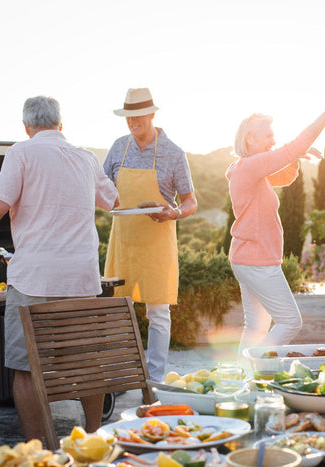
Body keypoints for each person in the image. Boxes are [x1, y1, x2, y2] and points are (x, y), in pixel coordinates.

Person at [0, 96, 120, 441]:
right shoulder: (85, 156)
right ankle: (94, 438)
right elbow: (113, 201)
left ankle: (38, 449)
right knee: (87, 362)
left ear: (26, 127)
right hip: (82, 279)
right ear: (60, 124)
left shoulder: (21, 152)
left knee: (25, 368)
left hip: (35, 279)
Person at [228, 93, 325, 356]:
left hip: (248, 258)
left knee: (255, 328)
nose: (273, 140)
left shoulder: (249, 169)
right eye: (268, 136)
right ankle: (257, 364)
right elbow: (291, 147)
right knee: (290, 321)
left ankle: (241, 379)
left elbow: (283, 175)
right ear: (250, 139)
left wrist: (295, 156)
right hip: (257, 261)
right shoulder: (250, 166)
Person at [103, 88, 197, 382]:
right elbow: (102, 189)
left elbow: (190, 202)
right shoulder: (118, 147)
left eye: (138, 115)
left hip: (157, 241)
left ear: (152, 114)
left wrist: (174, 212)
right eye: (128, 116)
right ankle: (119, 376)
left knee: (158, 312)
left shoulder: (173, 152)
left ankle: (155, 379)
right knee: (117, 310)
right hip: (123, 241)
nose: (133, 121)